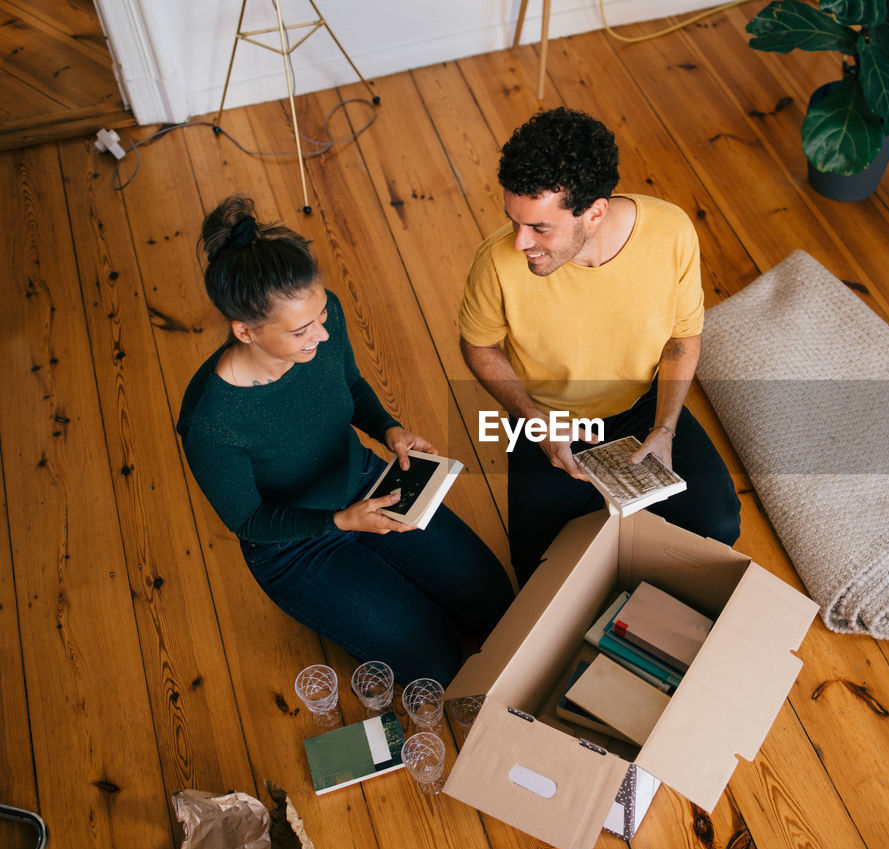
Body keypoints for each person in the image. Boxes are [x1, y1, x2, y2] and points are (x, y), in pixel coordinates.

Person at [177, 196, 512, 684]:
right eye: (301, 330)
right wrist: (341, 521)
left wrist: (388, 429)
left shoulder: (322, 317)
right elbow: (248, 520)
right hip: (294, 545)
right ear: (244, 331)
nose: (323, 334)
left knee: (494, 603)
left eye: (321, 316)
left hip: (365, 484)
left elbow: (351, 386)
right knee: (436, 663)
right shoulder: (211, 420)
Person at [459, 107, 741, 584]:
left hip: (641, 404)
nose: (520, 241)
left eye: (540, 228)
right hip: (545, 416)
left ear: (594, 212)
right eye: (514, 221)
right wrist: (533, 420)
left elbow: (682, 339)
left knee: (717, 526)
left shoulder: (670, 232)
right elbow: (479, 347)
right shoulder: (496, 263)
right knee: (536, 571)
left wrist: (666, 428)